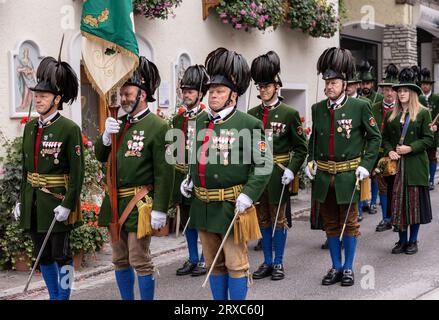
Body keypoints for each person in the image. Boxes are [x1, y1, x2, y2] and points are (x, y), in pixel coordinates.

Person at [180, 47, 272, 300]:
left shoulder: (248, 123)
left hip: (232, 206)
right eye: (211, 91)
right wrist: (190, 178)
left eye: (219, 91)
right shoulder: (198, 121)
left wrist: (249, 194)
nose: (213, 96)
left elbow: (264, 164)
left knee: (236, 264)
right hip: (203, 204)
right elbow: (196, 155)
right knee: (213, 265)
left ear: (234, 95)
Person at [95, 56, 174, 300]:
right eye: (122, 94)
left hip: (140, 204)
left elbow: (165, 171)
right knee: (119, 260)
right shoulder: (118, 123)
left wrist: (161, 209)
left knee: (139, 258)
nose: (124, 98)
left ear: (143, 94)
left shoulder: (159, 126)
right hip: (115, 203)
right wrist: (106, 137)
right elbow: (100, 154)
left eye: (128, 93)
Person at [306, 47, 381, 286]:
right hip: (324, 175)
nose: (329, 86)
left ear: (344, 82)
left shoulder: (359, 107)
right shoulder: (318, 109)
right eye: (326, 81)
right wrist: (310, 161)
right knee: (330, 223)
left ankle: (348, 267)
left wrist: (366, 165)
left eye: (334, 81)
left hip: (349, 174)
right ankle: (335, 267)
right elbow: (313, 140)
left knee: (349, 223)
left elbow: (375, 137)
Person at [19, 50, 84, 300]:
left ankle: (64, 297)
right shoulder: (30, 127)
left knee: (62, 256)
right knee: (42, 255)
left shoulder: (69, 129)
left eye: (43, 96)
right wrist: (20, 200)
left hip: (56, 201)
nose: (38, 100)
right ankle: (54, 295)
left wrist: (68, 204)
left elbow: (78, 173)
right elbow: (27, 167)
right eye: (36, 96)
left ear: (57, 99)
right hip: (34, 202)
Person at [248, 51, 307, 281]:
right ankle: (267, 261)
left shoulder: (289, 113)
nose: (263, 90)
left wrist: (292, 169)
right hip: (258, 175)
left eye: (267, 86)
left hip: (279, 174)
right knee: (262, 219)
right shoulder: (251, 114)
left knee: (278, 220)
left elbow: (301, 147)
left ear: (277, 86)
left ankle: (279, 262)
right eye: (260, 86)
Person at [382, 67, 433, 255]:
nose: (401, 94)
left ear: (412, 93)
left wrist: (410, 148)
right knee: (398, 205)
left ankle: (413, 241)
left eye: (405, 91)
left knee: (414, 206)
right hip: (396, 167)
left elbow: (429, 139)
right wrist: (389, 150)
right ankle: (401, 241)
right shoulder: (391, 115)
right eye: (399, 91)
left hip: (415, 165)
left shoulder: (422, 112)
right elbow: (385, 138)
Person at [172, 65, 208, 277]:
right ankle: (192, 257)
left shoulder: (207, 118)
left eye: (190, 91)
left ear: (200, 94)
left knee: (200, 220)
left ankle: (205, 258)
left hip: (200, 179)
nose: (186, 95)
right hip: (181, 177)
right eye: (184, 91)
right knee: (186, 221)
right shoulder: (178, 119)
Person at [372, 64, 399, 232]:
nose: (389, 93)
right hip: (378, 153)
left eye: (392, 90)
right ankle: (386, 218)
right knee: (382, 186)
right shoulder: (373, 107)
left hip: (395, 153)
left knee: (395, 187)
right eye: (386, 90)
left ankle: (397, 218)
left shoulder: (400, 108)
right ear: (382, 91)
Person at [419, 68, 439, 190]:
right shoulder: (418, 98)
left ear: (431, 85)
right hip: (421, 132)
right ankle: (424, 178)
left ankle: (431, 180)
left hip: (433, 132)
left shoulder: (436, 98)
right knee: (422, 156)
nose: (425, 87)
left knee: (431, 156)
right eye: (423, 84)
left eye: (427, 84)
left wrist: (437, 126)